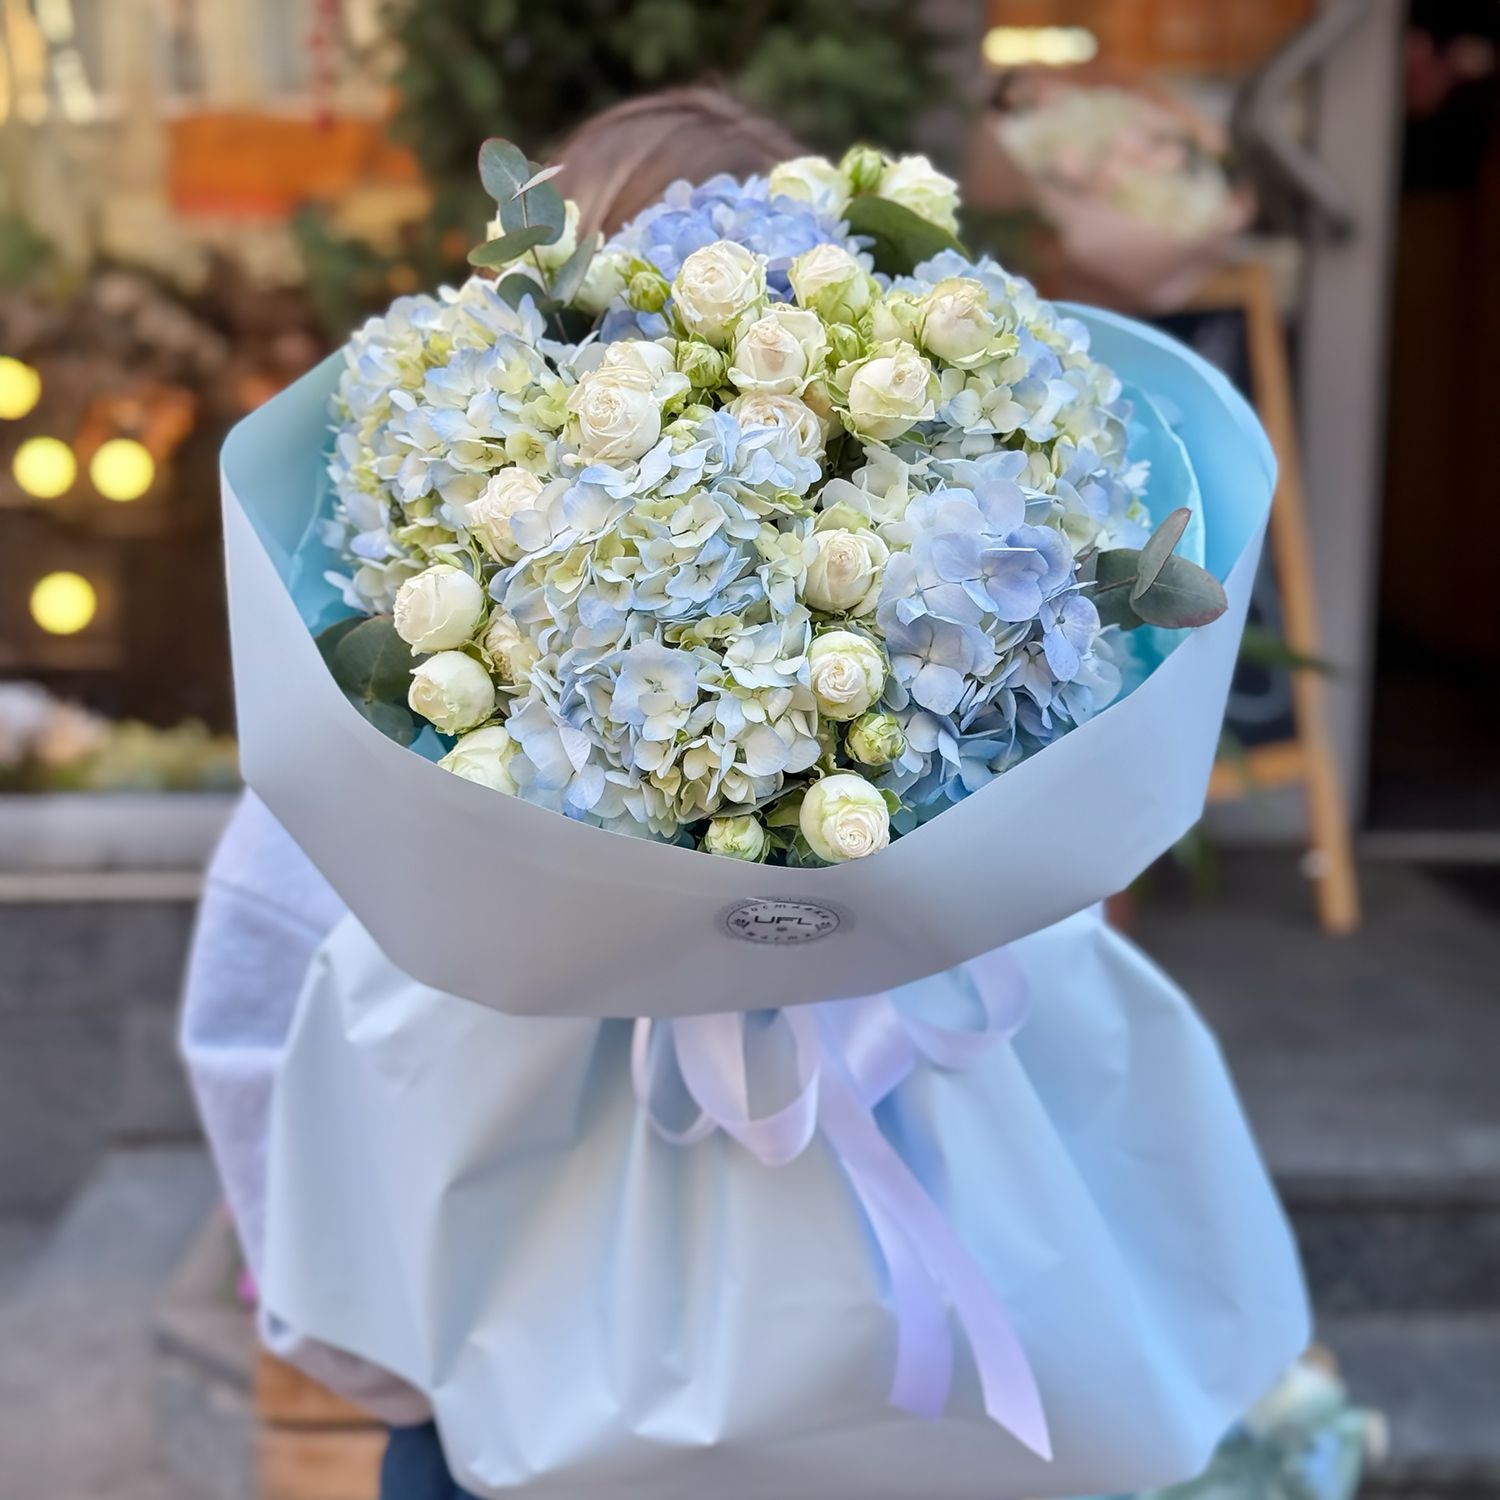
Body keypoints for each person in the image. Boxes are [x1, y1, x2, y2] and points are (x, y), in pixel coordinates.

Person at [180, 84, 812, 1499]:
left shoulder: (370, 737)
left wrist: (423, 1373)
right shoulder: (910, 758)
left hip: (502, 1429)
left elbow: (259, 1052)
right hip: (855, 1411)